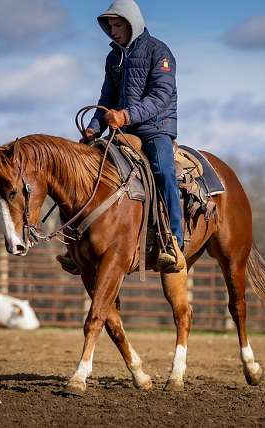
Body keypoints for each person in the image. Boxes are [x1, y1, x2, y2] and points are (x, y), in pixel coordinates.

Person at [58, 0, 185, 273]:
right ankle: (76, 244)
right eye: (110, 26)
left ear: (132, 23)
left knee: (163, 171)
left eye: (118, 25)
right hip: (121, 130)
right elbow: (107, 97)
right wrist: (94, 127)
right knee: (87, 170)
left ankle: (174, 241)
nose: (113, 31)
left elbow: (160, 97)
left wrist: (126, 116)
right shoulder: (113, 57)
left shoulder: (159, 52)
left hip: (155, 128)